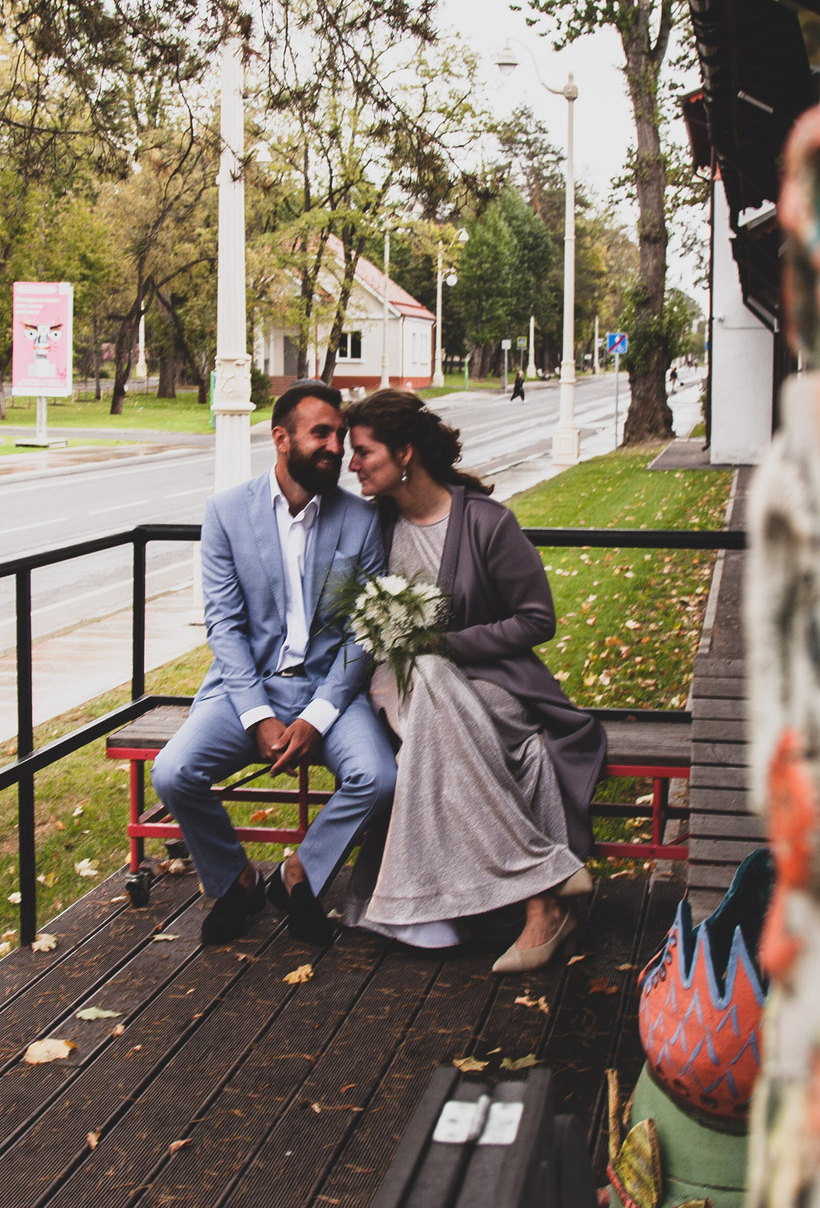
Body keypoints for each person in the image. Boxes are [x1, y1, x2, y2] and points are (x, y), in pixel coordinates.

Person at [341, 388, 609, 972]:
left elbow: (537, 619)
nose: (352, 464)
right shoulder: (369, 526)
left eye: (362, 451)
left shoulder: (488, 522)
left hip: (494, 689)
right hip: (394, 686)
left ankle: (451, 905)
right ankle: (545, 884)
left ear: (404, 453)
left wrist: (446, 644)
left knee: (432, 681)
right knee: (426, 680)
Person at [151, 381, 397, 948]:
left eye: (340, 435)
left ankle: (299, 873)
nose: (335, 447)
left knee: (379, 778)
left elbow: (363, 632)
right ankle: (235, 879)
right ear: (281, 438)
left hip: (330, 689)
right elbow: (224, 627)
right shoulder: (226, 513)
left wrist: (318, 715)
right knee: (172, 773)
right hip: (247, 687)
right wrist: (257, 715)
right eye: (321, 434)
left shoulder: (361, 520)